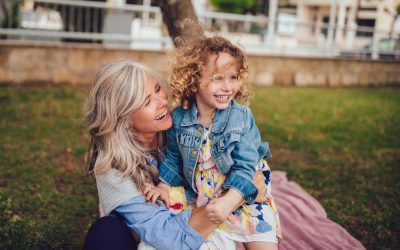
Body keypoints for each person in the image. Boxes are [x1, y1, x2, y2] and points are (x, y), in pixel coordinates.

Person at [82, 59, 268, 250]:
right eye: (147, 102)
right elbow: (167, 236)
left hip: (193, 218)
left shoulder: (182, 128)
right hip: (161, 235)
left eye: (157, 89)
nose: (163, 101)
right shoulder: (112, 168)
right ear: (123, 118)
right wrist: (237, 196)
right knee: (106, 233)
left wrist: (236, 187)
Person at [154, 35, 282, 250]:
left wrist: (230, 200)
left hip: (243, 193)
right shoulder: (179, 118)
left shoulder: (241, 117)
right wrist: (164, 185)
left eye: (233, 77)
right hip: (207, 199)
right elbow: (174, 158)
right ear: (193, 81)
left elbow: (246, 166)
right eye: (217, 78)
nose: (227, 87)